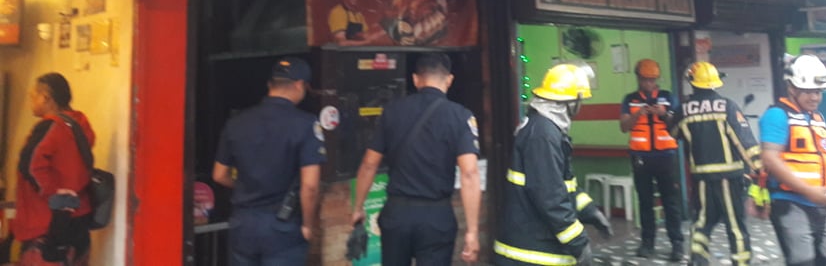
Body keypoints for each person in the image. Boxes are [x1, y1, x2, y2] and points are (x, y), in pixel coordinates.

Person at [351, 53, 481, 265]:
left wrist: (358, 208)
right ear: (449, 80)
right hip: (436, 216)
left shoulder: (392, 111)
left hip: (397, 213)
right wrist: (472, 232)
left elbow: (369, 164)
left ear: (416, 79)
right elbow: (469, 173)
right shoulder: (460, 116)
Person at [494, 63, 612, 266]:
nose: (581, 105)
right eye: (580, 100)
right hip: (531, 253)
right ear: (570, 102)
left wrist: (589, 210)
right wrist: (579, 243)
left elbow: (566, 185)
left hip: (533, 245)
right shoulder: (544, 134)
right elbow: (550, 196)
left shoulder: (546, 128)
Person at [213, 57, 325, 266]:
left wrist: (246, 187)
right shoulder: (305, 124)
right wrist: (308, 225)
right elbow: (309, 186)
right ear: (300, 85)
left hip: (243, 223)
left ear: (269, 85)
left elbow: (219, 175)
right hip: (282, 224)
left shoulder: (236, 123)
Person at [672, 62, 762, 266]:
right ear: (715, 83)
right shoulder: (727, 106)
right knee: (736, 227)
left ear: (692, 83)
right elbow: (745, 142)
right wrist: (760, 169)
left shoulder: (683, 110)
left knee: (702, 224)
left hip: (702, 180)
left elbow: (673, 133)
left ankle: (697, 261)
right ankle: (741, 263)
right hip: (729, 180)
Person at [759, 54, 826, 266]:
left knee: (823, 259)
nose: (814, 97)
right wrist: (810, 192)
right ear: (792, 88)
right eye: (808, 91)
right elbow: (769, 158)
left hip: (820, 205)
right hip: (790, 203)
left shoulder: (817, 119)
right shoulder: (777, 115)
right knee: (802, 261)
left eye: (818, 91)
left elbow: (825, 159)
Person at [14, 73, 96, 266]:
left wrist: (55, 196)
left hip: (48, 226)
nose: (31, 100)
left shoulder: (50, 127)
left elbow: (30, 166)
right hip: (80, 218)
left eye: (33, 95)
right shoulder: (79, 125)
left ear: (46, 98)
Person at [620, 58, 684, 261]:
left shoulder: (667, 97)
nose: (648, 84)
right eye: (645, 79)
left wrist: (664, 114)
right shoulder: (629, 99)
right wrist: (638, 113)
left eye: (652, 80)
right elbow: (623, 127)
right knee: (645, 203)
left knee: (670, 203)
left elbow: (679, 124)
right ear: (638, 78)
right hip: (641, 158)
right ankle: (647, 244)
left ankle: (677, 245)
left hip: (666, 156)